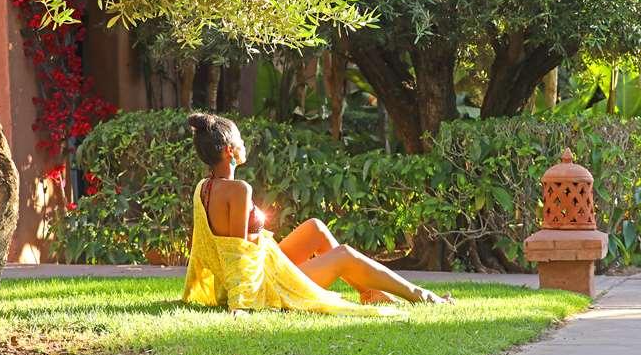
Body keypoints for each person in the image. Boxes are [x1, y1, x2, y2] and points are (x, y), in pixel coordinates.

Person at [182, 112, 449, 315]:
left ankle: (370, 291)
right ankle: (421, 295)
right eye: (240, 139)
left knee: (315, 227)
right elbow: (238, 256)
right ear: (230, 150)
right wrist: (241, 304)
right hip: (263, 285)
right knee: (344, 254)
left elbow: (213, 248)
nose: (244, 143)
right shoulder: (240, 189)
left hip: (264, 266)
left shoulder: (203, 188)